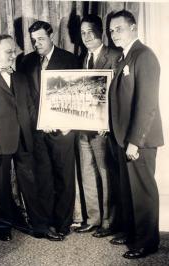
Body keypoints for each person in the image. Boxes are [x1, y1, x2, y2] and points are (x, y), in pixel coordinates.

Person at [0, 34, 63, 242]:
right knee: (2, 187)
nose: (14, 55)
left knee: (31, 184)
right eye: (9, 51)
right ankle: (4, 226)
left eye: (14, 51)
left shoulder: (21, 78)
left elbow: (31, 109)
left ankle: (40, 226)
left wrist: (44, 123)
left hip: (24, 140)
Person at [108, 10, 164, 259]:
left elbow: (147, 103)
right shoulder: (125, 56)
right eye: (111, 30)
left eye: (118, 28)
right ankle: (132, 234)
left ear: (133, 27)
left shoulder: (144, 56)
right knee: (128, 190)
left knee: (142, 191)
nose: (113, 34)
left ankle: (147, 242)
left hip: (138, 140)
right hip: (124, 138)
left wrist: (134, 141)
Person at [18, 20, 79, 237]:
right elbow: (27, 98)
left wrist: (68, 122)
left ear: (51, 36)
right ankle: (47, 221)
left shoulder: (70, 60)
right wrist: (40, 121)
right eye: (34, 40)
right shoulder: (26, 62)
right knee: (43, 178)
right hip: (39, 130)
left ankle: (63, 225)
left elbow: (77, 94)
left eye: (41, 39)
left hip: (63, 131)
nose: (37, 44)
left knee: (64, 177)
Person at [75, 14, 121, 238]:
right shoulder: (84, 58)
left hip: (104, 129)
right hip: (84, 127)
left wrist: (108, 122)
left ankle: (108, 222)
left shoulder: (114, 55)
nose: (86, 37)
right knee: (87, 173)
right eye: (82, 33)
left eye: (90, 32)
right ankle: (93, 219)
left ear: (100, 32)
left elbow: (119, 94)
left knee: (105, 174)